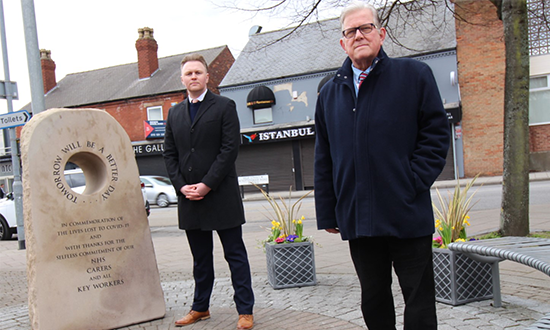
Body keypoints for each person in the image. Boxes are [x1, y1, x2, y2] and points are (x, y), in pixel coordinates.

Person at [314, 2, 450, 329]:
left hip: (407, 212)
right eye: (351, 31)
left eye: (366, 28)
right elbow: (324, 157)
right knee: (373, 299)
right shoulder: (329, 94)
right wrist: (329, 211)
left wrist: (411, 182)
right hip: (359, 218)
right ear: (342, 42)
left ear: (381, 34)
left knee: (419, 299)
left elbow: (435, 135)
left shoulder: (414, 76)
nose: (359, 35)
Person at [163, 54, 254, 329]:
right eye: (188, 73)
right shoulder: (174, 113)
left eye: (198, 72)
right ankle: (200, 308)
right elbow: (170, 153)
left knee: (235, 255)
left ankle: (245, 311)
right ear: (182, 78)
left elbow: (229, 151)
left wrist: (207, 185)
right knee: (200, 260)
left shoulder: (225, 106)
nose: (193, 77)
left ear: (207, 77)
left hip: (221, 196)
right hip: (190, 199)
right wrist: (181, 186)